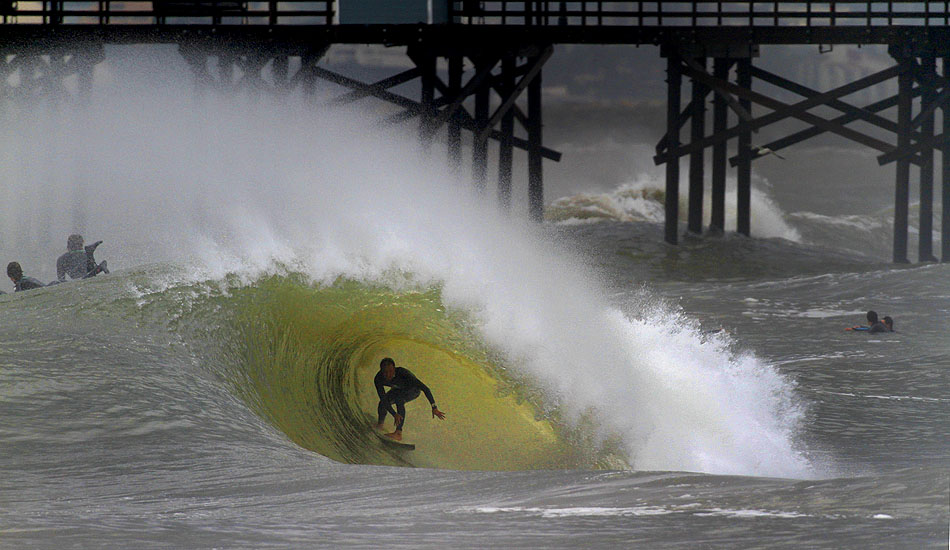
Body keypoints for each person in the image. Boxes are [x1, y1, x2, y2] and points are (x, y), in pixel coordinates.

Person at [374, 357, 445, 441]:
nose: (388, 374)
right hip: (398, 389)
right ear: (381, 371)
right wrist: (394, 414)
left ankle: (398, 433)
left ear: (394, 369)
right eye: (385, 372)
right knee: (382, 404)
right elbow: (384, 398)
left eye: (390, 371)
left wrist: (434, 407)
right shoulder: (378, 378)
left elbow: (425, 388)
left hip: (413, 390)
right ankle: (380, 425)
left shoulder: (403, 373)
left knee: (399, 399)